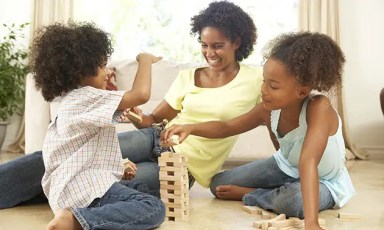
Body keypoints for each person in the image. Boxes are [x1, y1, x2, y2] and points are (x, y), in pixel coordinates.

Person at [0, 1, 261, 205]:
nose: (209, 53)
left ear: (237, 42)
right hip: (153, 138)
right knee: (67, 155)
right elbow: (153, 121)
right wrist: (140, 120)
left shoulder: (256, 79)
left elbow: (233, 124)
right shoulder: (187, 77)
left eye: (217, 46)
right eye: (204, 45)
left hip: (182, 168)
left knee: (102, 186)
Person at [161, 32, 367, 230]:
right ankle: (275, 192)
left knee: (294, 202)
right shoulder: (267, 109)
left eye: (273, 86)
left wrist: (312, 226)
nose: (264, 91)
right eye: (264, 82)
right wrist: (190, 127)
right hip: (286, 166)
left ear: (302, 91)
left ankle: (259, 195)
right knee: (218, 186)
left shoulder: (319, 107)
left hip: (325, 180)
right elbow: (226, 126)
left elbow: (308, 161)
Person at [28, 21, 165, 230]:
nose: (107, 72)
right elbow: (141, 94)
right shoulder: (86, 97)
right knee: (153, 208)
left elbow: (80, 154)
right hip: (84, 196)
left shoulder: (71, 101)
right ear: (80, 71)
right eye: (102, 66)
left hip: (70, 191)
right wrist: (145, 59)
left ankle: (75, 215)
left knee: (137, 189)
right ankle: (77, 220)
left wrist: (117, 168)